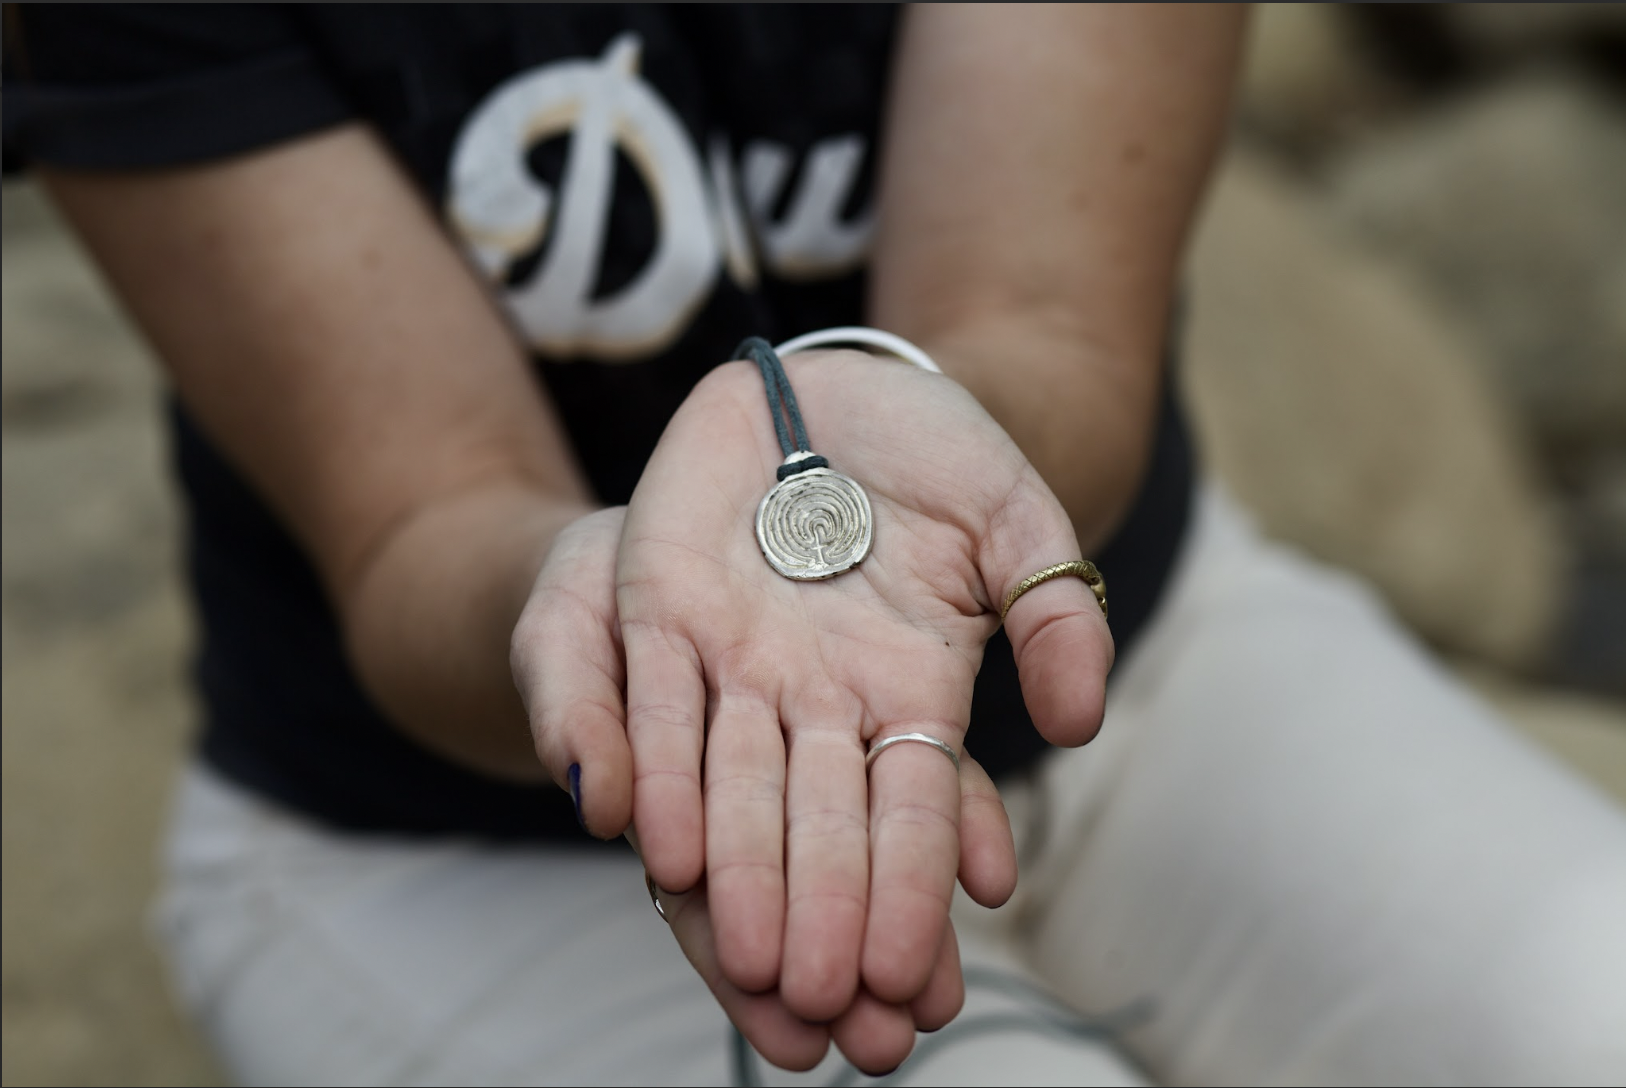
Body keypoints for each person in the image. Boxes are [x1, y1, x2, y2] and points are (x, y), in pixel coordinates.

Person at [6, 4, 1624, 1085]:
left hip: (1147, 674)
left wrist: (907, 413)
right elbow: (419, 524)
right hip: (465, 848)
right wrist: (590, 605)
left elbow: (1040, 320)